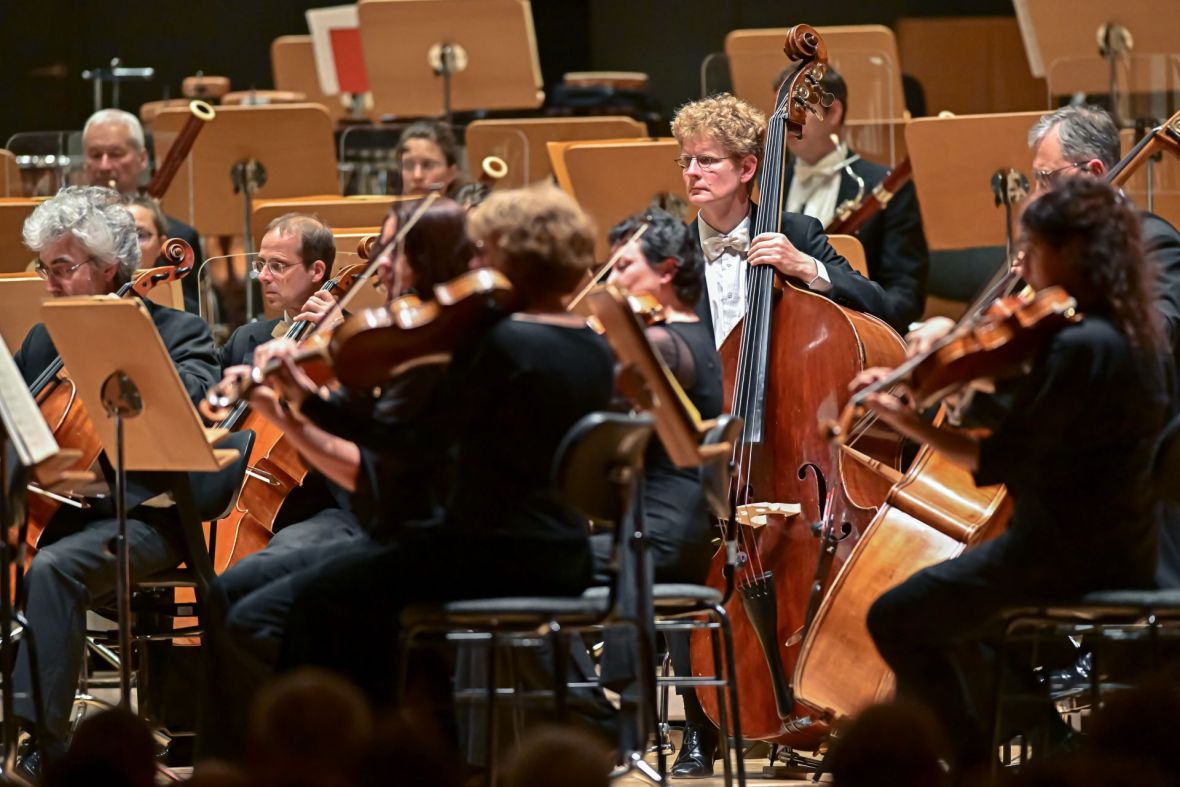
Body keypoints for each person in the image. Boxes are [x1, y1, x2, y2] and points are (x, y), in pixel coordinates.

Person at [861, 177, 1174, 774]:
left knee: (894, 616)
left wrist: (911, 423)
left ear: (1073, 252)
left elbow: (1000, 458)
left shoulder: (1078, 346)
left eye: (1033, 246)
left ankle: (974, 769)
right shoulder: (1136, 335)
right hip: (1129, 547)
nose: (1022, 262)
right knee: (955, 617)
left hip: (1059, 553)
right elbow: (1054, 430)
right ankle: (1034, 746)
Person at [273, 185, 615, 711]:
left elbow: (406, 440)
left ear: (512, 258)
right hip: (561, 549)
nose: (474, 262)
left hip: (493, 554)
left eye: (482, 252)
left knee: (316, 604)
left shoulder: (501, 343)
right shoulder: (590, 342)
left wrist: (307, 403)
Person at [196, 199, 475, 761]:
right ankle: (237, 767)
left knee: (269, 611)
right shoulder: (402, 335)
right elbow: (366, 430)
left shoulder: (437, 346)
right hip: (380, 519)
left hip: (393, 527)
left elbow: (373, 467)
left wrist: (297, 399)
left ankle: (328, 753)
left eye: (395, 251)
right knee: (225, 590)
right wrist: (293, 396)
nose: (381, 264)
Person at [906, 104, 1180, 589]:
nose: (1034, 198)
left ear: (1094, 173)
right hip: (1048, 476)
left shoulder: (1151, 242)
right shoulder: (1052, 248)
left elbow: (1155, 336)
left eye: (1044, 178)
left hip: (1111, 484)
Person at [11, 186, 220, 774]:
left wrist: (128, 359)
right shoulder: (42, 339)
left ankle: (45, 749)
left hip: (144, 518)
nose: (49, 284)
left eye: (61, 269)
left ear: (108, 269)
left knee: (52, 570)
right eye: (43, 268)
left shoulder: (180, 333)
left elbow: (192, 416)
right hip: (52, 511)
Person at [670, 92, 898, 350]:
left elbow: (881, 306)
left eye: (706, 160)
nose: (691, 173)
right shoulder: (672, 251)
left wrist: (805, 266)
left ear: (746, 168)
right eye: (686, 161)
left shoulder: (796, 233)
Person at [781, 65, 928, 333]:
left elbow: (905, 293)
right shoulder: (763, 185)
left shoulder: (885, 187)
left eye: (799, 108)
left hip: (856, 333)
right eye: (782, 111)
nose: (787, 121)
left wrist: (864, 332)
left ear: (834, 112)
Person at [82, 108, 204, 312]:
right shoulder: (72, 237)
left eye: (115, 154)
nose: (104, 165)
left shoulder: (178, 238)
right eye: (95, 155)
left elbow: (190, 311)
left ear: (142, 158)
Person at [216, 213, 339, 370]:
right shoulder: (243, 339)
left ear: (316, 271)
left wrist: (338, 340)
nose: (262, 276)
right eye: (261, 264)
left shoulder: (355, 338)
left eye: (277, 265)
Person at [396, 121, 462, 197]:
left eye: (428, 165)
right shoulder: (387, 208)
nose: (417, 176)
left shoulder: (466, 207)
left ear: (450, 173)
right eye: (409, 165)